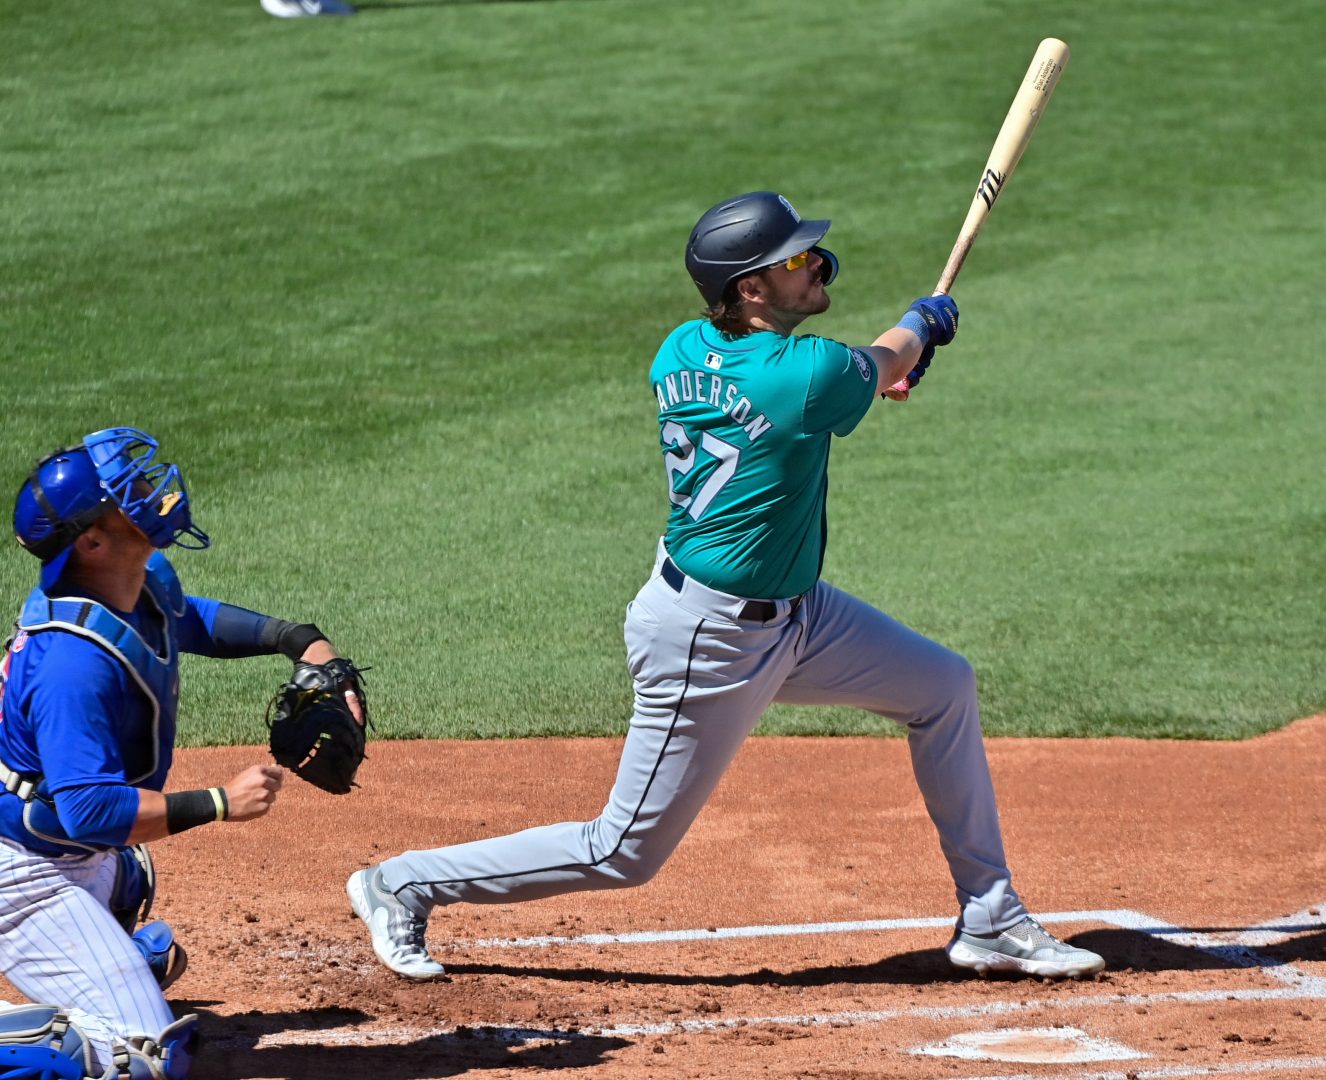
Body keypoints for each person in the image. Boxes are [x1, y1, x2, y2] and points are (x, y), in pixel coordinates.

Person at [346, 191, 1105, 983]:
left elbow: (830, 386)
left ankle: (990, 915)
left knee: (943, 685)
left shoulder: (681, 347)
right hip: (710, 640)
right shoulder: (808, 373)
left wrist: (878, 372)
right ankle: (402, 884)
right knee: (623, 851)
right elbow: (879, 358)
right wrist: (926, 324)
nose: (815, 265)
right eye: (796, 259)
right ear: (750, 287)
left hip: (800, 618)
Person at [0, 427, 364, 1079]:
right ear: (91, 541)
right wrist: (222, 802)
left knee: (128, 871)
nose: (148, 491)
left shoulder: (135, 580)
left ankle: (105, 944)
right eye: (125, 493)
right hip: (22, 874)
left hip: (69, 851)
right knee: (143, 1057)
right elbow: (89, 811)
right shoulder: (72, 668)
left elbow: (183, 617)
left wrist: (296, 639)